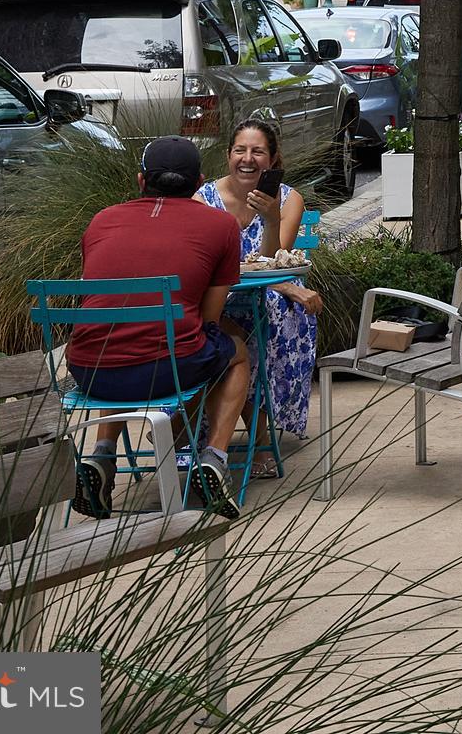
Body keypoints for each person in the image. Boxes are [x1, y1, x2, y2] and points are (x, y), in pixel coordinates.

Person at [66, 136, 250, 520]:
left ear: (140, 180)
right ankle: (213, 459)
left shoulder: (102, 219)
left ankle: (102, 457)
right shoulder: (220, 225)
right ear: (199, 183)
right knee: (237, 353)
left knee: (119, 340)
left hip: (89, 371)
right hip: (167, 371)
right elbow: (210, 319)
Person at [195, 120, 323, 477]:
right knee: (238, 323)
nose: (247, 159)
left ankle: (258, 438)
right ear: (228, 155)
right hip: (218, 301)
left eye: (258, 152)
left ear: (273, 159)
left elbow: (273, 263)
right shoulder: (202, 200)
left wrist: (270, 220)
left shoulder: (288, 199)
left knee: (267, 318)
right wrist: (289, 286)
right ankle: (199, 433)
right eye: (240, 150)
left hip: (267, 296)